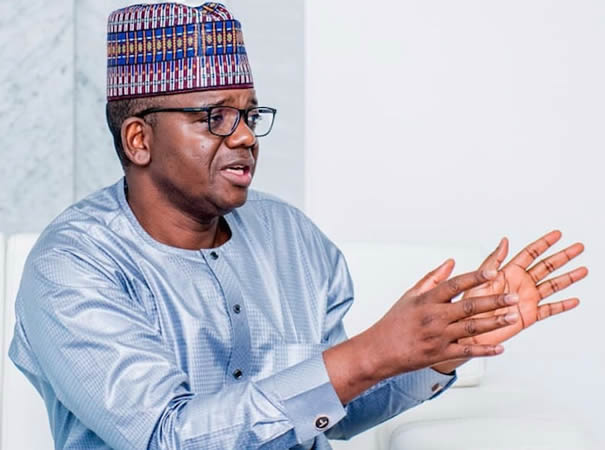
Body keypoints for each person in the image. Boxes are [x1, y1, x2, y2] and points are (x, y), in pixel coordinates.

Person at [9, 3, 587, 449]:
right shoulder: (73, 267)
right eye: (216, 117)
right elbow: (170, 436)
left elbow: (336, 410)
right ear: (139, 140)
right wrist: (368, 353)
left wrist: (443, 346)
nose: (244, 136)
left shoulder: (290, 237)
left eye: (249, 114)